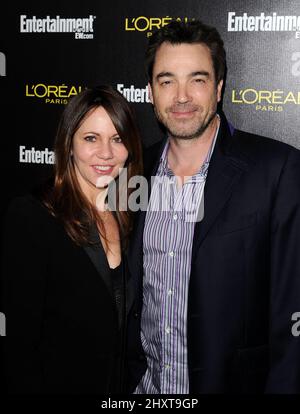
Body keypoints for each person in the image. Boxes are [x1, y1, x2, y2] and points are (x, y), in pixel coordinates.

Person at [126, 20, 300, 394]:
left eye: (198, 79)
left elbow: (292, 312)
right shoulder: (132, 173)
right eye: (167, 80)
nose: (182, 96)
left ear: (219, 87)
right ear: (151, 92)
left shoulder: (277, 169)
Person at [1, 85, 143, 394]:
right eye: (91, 138)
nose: (106, 153)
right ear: (69, 144)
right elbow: (20, 347)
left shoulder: (131, 218)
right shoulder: (33, 217)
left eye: (117, 139)